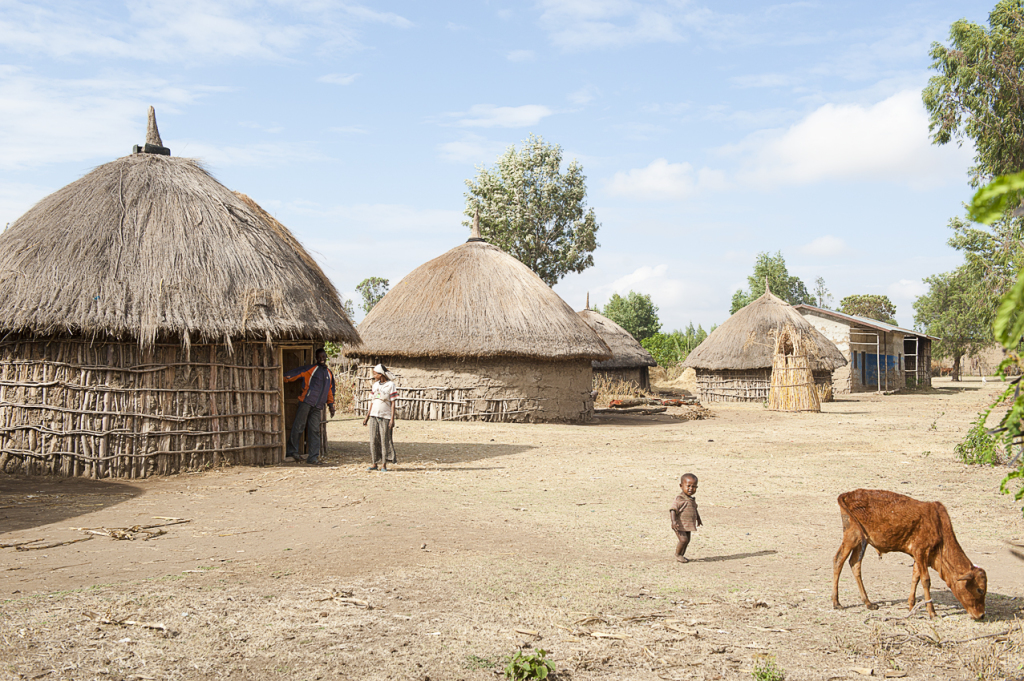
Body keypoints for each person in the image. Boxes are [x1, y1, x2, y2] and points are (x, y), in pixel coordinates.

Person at [283, 348, 335, 465]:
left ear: (326, 357)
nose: (321, 359)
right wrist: (283, 378)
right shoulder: (311, 369)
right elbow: (295, 374)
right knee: (298, 426)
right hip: (306, 402)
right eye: (319, 357)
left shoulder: (329, 373)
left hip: (318, 407)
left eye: (323, 357)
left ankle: (313, 457)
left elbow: (330, 391)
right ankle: (292, 451)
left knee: (315, 431)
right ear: (316, 358)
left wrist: (331, 405)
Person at [362, 363, 397, 471]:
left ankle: (384, 464)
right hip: (374, 415)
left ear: (381, 374)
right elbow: (372, 401)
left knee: (384, 439)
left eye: (375, 374)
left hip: (385, 416)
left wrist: (392, 418)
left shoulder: (390, 385)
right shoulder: (375, 385)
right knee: (373, 440)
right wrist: (367, 416)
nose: (374, 376)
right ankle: (374, 463)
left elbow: (393, 403)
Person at [669, 473, 702, 563]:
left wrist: (698, 519)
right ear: (681, 486)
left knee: (687, 540)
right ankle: (678, 554)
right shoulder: (680, 499)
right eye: (688, 486)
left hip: (688, 524)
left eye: (694, 486)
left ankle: (682, 555)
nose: (691, 489)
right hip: (679, 524)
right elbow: (673, 510)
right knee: (683, 540)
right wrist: (673, 521)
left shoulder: (691, 499)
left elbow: (694, 509)